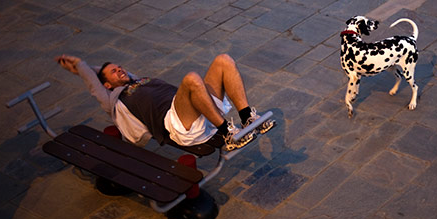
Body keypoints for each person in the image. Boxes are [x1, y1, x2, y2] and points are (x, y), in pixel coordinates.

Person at [55, 53, 274, 151]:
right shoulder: (114, 99)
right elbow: (95, 83)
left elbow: (102, 75)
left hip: (199, 109)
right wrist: (80, 65)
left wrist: (90, 68)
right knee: (191, 79)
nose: (120, 69)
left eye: (119, 66)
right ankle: (227, 132)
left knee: (223, 60)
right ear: (107, 85)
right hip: (178, 125)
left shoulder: (137, 80)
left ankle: (247, 117)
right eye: (114, 71)